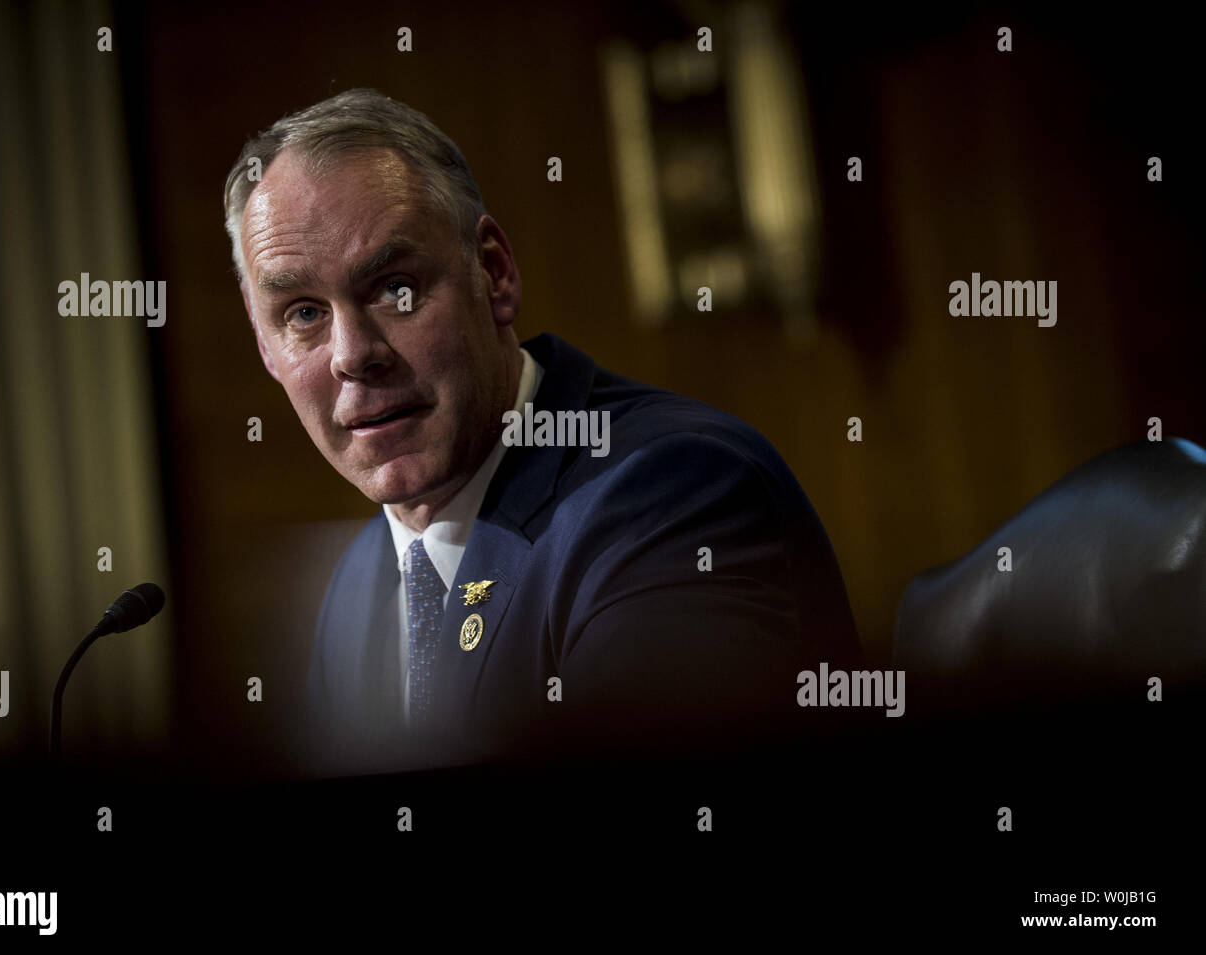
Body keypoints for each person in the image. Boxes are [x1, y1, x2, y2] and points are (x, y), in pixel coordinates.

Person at [223, 88, 858, 774]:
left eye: (393, 287)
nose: (352, 354)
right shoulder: (352, 588)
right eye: (304, 314)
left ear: (493, 273)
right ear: (265, 350)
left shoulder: (673, 496)